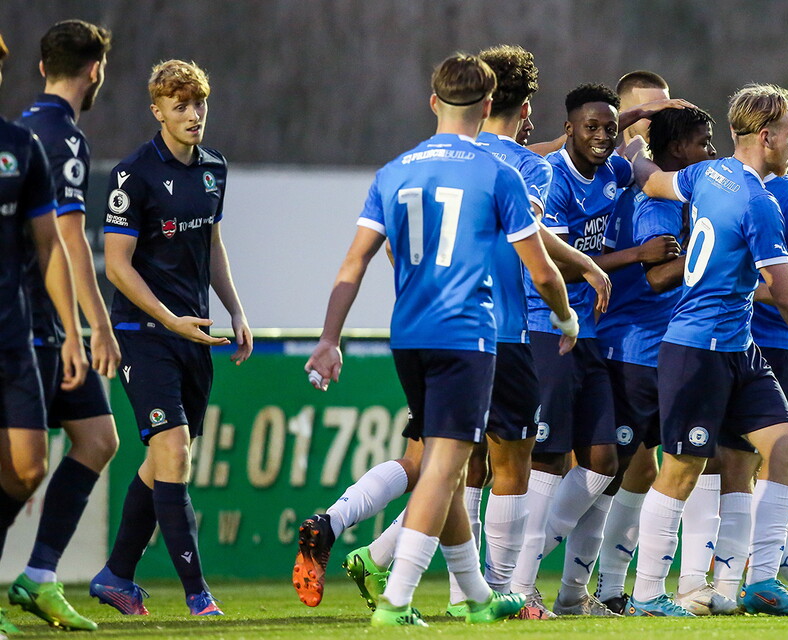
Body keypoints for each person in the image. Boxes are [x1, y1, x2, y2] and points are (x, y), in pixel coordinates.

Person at [300, 53, 578, 627]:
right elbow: (543, 270)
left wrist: (329, 337)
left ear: (433, 102)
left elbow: (354, 263)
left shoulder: (395, 170)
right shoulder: (499, 173)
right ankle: (397, 602)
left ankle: (475, 597)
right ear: (486, 105)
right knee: (447, 468)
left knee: (444, 465)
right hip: (468, 335)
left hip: (409, 335)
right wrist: (566, 318)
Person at [627, 83, 788, 617]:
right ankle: (648, 593)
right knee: (683, 469)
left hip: (737, 345)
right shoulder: (757, 202)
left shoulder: (707, 173)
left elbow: (651, 180)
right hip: (697, 348)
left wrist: (632, 147)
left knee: (785, 450)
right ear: (766, 137)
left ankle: (761, 581)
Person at [89, 59, 252, 617]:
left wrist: (236, 310)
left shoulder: (214, 168)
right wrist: (167, 317)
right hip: (143, 333)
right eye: (180, 106)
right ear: (157, 112)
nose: (193, 114)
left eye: (199, 103)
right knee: (174, 452)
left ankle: (115, 576)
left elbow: (212, 246)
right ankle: (198, 596)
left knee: (164, 461)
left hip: (193, 335)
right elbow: (116, 266)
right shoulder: (133, 174)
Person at [512, 83, 679, 618]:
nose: (603, 136)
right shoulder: (552, 178)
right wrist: (636, 254)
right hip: (547, 326)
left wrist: (643, 115)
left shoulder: (614, 171)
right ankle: (516, 582)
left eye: (610, 127)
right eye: (591, 127)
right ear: (568, 130)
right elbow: (558, 265)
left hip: (590, 335)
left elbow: (646, 169)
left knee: (605, 462)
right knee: (546, 457)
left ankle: (566, 592)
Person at [593, 105, 735, 615]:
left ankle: (619, 589)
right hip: (636, 350)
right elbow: (656, 277)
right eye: (703, 142)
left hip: (659, 350)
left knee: (656, 466)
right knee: (603, 474)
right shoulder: (656, 202)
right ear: (676, 148)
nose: (711, 152)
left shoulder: (672, 192)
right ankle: (530, 580)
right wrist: (711, 249)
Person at [8, 20, 117, 632]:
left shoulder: (24, 127)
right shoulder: (63, 137)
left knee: (98, 438)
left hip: (38, 321)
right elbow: (70, 240)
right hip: (36, 326)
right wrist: (96, 325)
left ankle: (39, 575)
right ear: (95, 70)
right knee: (20, 467)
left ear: (42, 66)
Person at [0, 32, 87, 639]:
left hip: (15, 336)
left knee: (28, 468)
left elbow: (52, 246)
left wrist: (73, 332)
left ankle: (33, 576)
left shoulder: (20, 145)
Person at [712, 169, 788, 611]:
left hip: (778, 347)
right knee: (728, 466)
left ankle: (750, 582)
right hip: (732, 344)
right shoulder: (727, 186)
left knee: (750, 464)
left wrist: (742, 289)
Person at [615, 70, 670, 156]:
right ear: (620, 110)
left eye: (665, 112)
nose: (660, 121)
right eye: (650, 114)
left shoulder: (683, 163)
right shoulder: (603, 161)